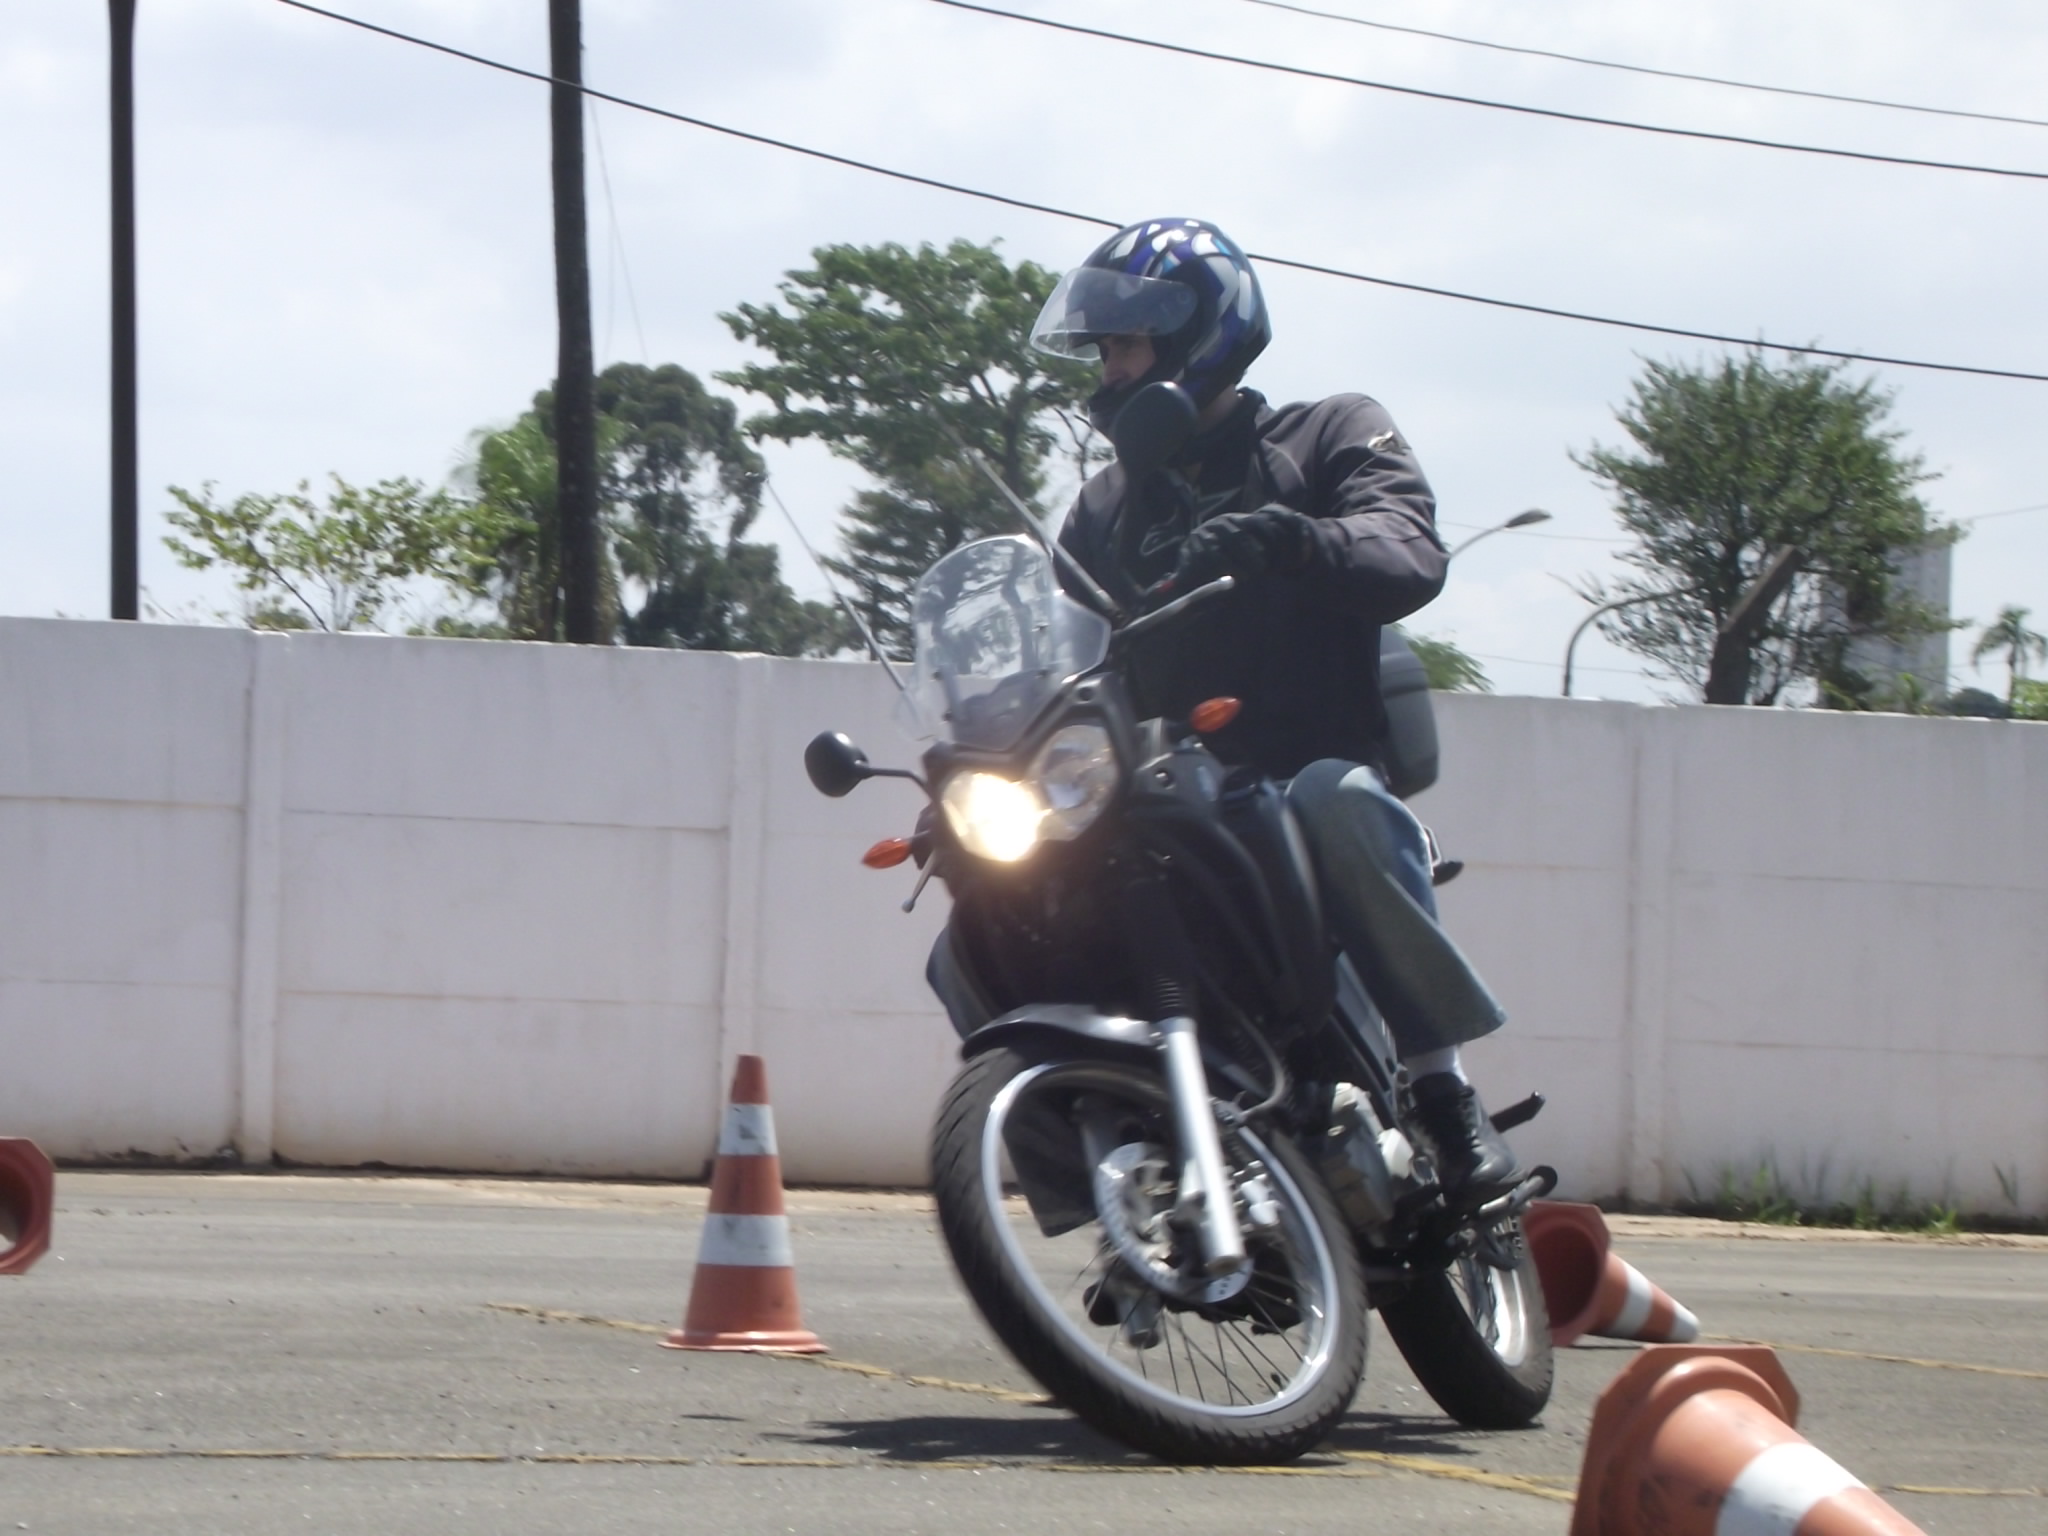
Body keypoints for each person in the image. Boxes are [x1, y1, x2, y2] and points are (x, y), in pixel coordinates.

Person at [1029, 216, 1522, 1205]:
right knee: (1004, 879)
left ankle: (1440, 1090)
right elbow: (1064, 663)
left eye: (1127, 344)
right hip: (1164, 797)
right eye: (1105, 348)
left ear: (1198, 334)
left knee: (1334, 799)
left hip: (1304, 774)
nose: (1110, 369)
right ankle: (1100, 1184)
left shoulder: (1327, 433)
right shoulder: (1103, 510)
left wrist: (1298, 542)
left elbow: (1408, 550)